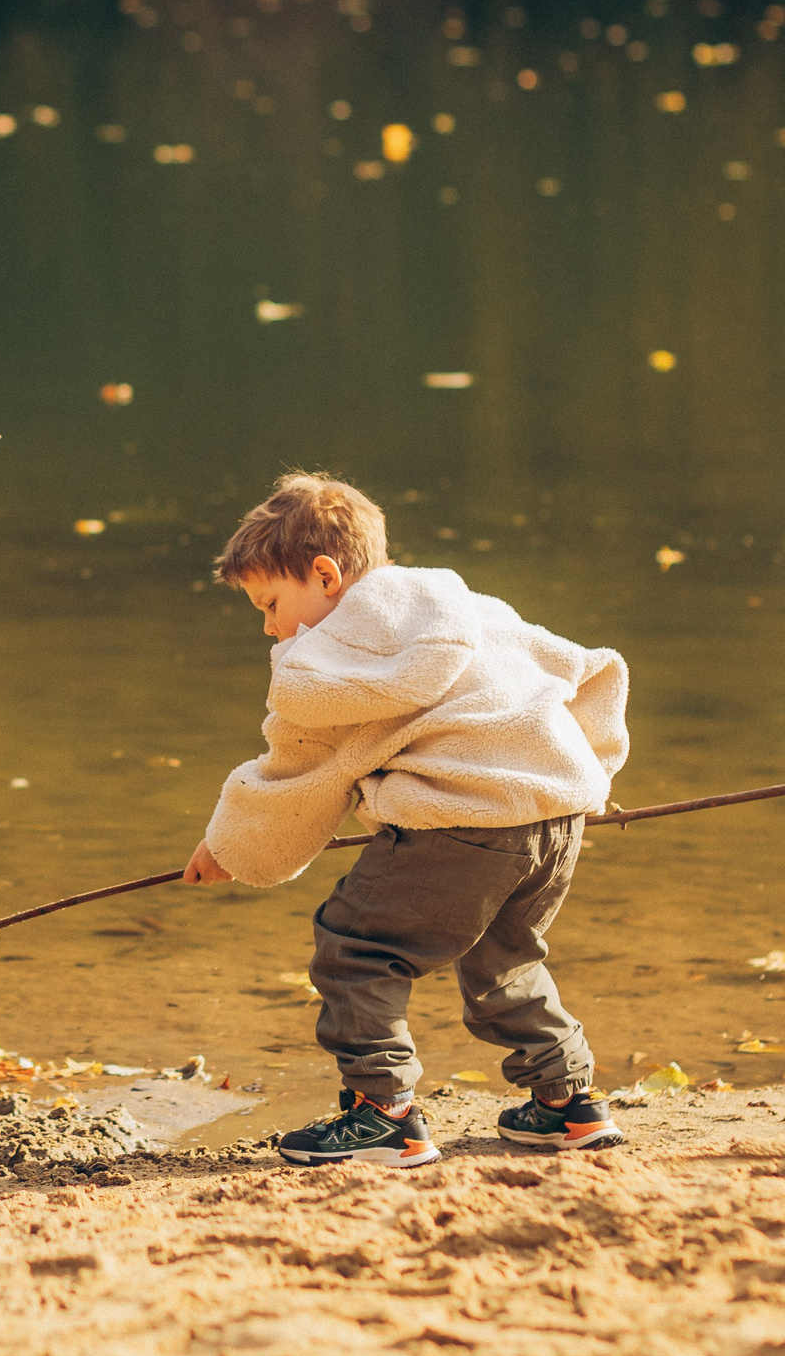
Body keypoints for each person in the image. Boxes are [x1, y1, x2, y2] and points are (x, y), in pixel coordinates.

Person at [183, 472, 630, 1168]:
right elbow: (587, 670)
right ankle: (567, 1104)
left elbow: (302, 773)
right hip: (554, 816)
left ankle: (383, 1115)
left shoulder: (340, 655)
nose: (271, 627)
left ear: (326, 575)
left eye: (271, 604)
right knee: (504, 956)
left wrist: (230, 846)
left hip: (462, 822)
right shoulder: (471, 608)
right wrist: (588, 774)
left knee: (355, 948)